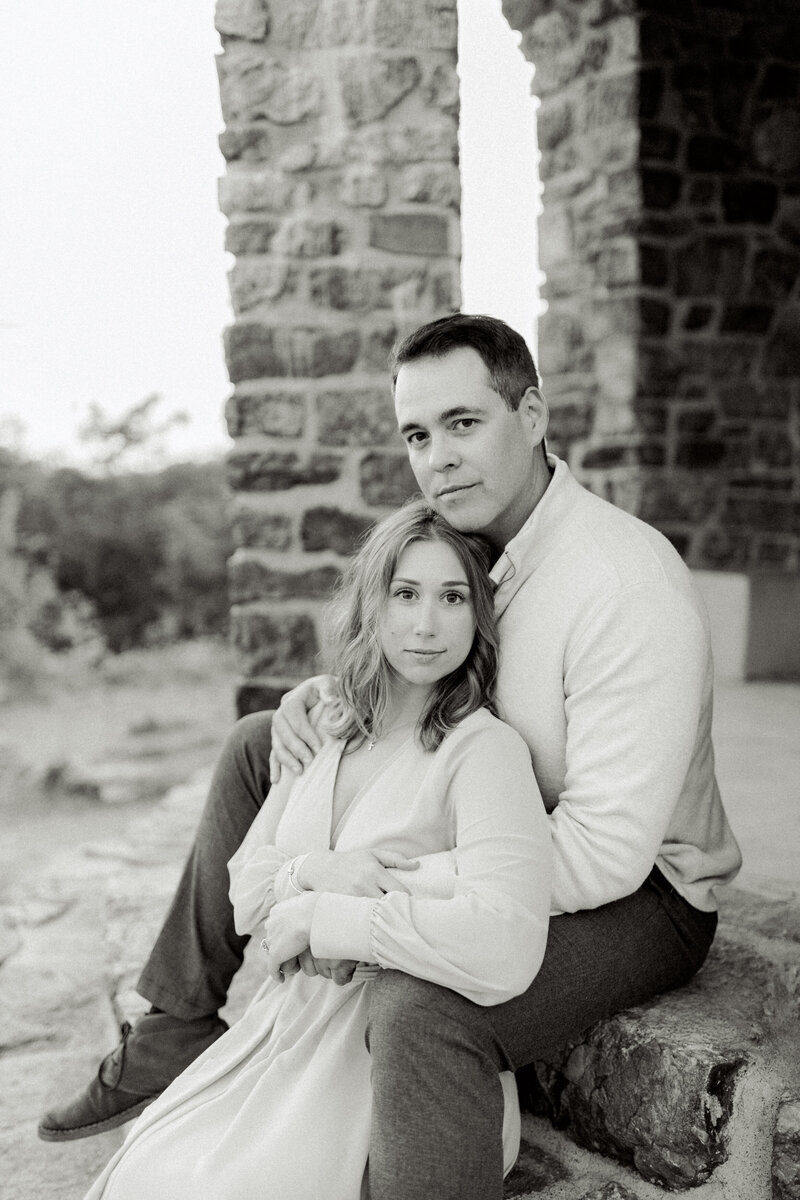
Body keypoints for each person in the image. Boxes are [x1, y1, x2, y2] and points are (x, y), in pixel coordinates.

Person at [41, 313, 742, 1200]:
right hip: (489, 818)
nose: (439, 457)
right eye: (418, 433)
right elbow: (421, 649)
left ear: (532, 416)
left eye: (463, 423)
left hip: (645, 890)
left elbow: (605, 851)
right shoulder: (481, 538)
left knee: (422, 1002)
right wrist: (331, 701)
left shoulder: (622, 585)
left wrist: (376, 886)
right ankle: (179, 1023)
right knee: (263, 744)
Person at [81, 499, 552, 1198]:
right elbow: (247, 891)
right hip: (282, 1028)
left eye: (453, 597)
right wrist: (315, 871)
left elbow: (507, 940)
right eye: (406, 594)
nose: (427, 624)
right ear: (373, 605)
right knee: (147, 1171)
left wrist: (324, 913)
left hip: (372, 1055)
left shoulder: (483, 750)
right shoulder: (331, 727)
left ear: (478, 615)